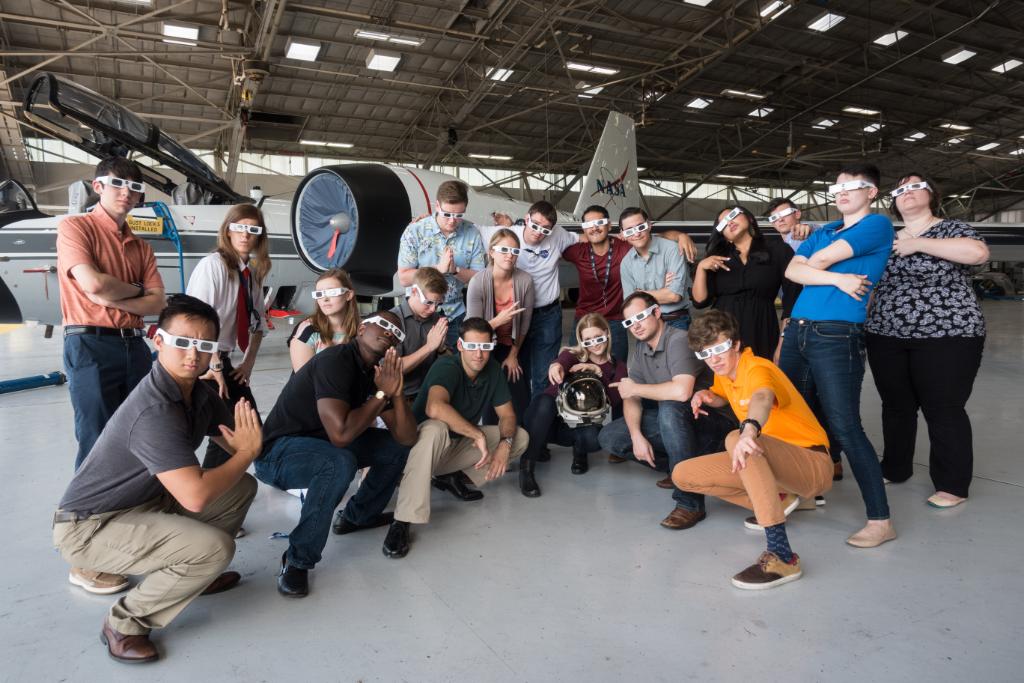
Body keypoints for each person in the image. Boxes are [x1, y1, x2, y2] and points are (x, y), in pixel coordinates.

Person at [52, 295, 260, 663]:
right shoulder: (154, 410)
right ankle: (124, 623)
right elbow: (196, 496)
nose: (192, 355)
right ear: (158, 341)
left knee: (241, 487)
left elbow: (232, 440)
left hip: (145, 501)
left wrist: (253, 443)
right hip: (91, 527)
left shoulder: (199, 392)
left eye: (203, 345)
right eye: (182, 342)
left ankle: (194, 577)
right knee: (215, 548)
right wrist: (247, 453)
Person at [56, 156, 166, 595]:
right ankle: (85, 557)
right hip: (89, 346)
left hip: (132, 347)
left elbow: (157, 305)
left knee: (141, 435)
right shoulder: (75, 228)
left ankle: (135, 534)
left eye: (133, 186)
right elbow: (93, 285)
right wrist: (136, 293)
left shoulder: (141, 247)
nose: (125, 191)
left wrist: (128, 295)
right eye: (116, 183)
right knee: (97, 442)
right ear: (97, 186)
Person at [256, 311, 417, 596]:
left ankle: (357, 517)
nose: (390, 332)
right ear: (362, 328)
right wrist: (381, 396)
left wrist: (397, 392)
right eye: (384, 325)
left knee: (393, 449)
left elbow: (406, 437)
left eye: (396, 332)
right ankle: (297, 559)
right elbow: (341, 436)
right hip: (279, 453)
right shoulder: (336, 360)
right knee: (339, 462)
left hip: (324, 445)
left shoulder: (378, 374)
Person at [780, 162, 896, 548]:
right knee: (796, 416)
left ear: (872, 192)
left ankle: (880, 520)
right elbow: (794, 271)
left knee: (844, 425)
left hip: (836, 333)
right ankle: (806, 491)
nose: (842, 191)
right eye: (837, 186)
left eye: (854, 185)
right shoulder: (826, 229)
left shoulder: (876, 225)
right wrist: (838, 279)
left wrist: (820, 264)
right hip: (797, 330)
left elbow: (814, 262)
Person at [674, 310, 833, 590]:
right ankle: (784, 498)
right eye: (705, 354)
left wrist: (750, 428)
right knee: (683, 474)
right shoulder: (725, 374)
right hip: (775, 465)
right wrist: (708, 396)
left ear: (736, 344)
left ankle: (783, 556)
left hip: (812, 462)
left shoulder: (757, 367)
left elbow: (761, 395)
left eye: (720, 349)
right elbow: (726, 396)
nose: (714, 359)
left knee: (736, 439)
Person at [865, 173, 988, 508]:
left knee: (944, 407)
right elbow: (873, 285)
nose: (907, 193)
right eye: (900, 189)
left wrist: (918, 243)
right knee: (895, 407)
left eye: (915, 186)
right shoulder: (886, 238)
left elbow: (977, 253)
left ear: (932, 195)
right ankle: (895, 467)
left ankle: (952, 484)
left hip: (948, 333)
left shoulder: (951, 228)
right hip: (886, 333)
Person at [381, 317, 529, 559]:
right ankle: (402, 520)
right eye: (472, 347)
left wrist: (505, 444)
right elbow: (434, 407)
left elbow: (508, 415)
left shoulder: (492, 369)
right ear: (460, 345)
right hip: (417, 451)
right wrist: (476, 433)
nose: (479, 355)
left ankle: (452, 477)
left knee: (520, 437)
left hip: (452, 447)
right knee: (436, 428)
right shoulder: (447, 366)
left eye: (485, 347)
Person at [597, 292, 734, 529]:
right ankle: (679, 467)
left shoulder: (678, 340)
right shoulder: (641, 349)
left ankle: (690, 502)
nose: (636, 326)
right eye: (629, 322)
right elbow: (631, 396)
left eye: (640, 317)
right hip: (680, 427)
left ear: (657, 313)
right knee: (610, 436)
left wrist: (634, 387)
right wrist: (636, 436)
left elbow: (682, 392)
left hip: (714, 426)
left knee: (670, 407)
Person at [186, 203, 271, 467]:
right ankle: (206, 490)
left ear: (259, 235)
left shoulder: (251, 275)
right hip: (202, 360)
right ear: (228, 231)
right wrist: (213, 363)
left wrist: (248, 364)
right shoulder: (213, 266)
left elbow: (259, 324)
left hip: (226, 360)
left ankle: (215, 485)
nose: (245, 235)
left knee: (243, 428)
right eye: (239, 228)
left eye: (252, 229)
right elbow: (198, 320)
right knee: (226, 430)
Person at [520, 313, 627, 496]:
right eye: (587, 341)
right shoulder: (574, 355)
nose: (594, 344)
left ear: (607, 333)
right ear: (581, 341)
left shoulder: (618, 366)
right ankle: (527, 467)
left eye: (598, 338)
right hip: (547, 418)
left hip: (581, 422)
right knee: (545, 402)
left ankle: (580, 451)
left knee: (593, 440)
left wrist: (598, 372)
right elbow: (561, 361)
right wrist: (555, 366)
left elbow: (615, 398)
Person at [691, 205, 800, 360]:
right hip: (721, 333)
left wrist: (782, 344)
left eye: (733, 215)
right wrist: (701, 267)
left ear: (749, 218)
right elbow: (699, 301)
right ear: (723, 235)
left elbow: (792, 300)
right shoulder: (716, 258)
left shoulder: (778, 250)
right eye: (722, 224)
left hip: (762, 329)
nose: (729, 222)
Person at [396, 180, 485, 350]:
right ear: (437, 205)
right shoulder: (415, 231)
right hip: (417, 316)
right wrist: (438, 270)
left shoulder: (472, 233)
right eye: (447, 214)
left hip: (455, 315)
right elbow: (404, 278)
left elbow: (480, 278)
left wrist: (455, 270)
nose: (452, 221)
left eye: (459, 215)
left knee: (454, 370)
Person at [465, 228, 534, 423]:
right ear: (492, 252)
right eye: (504, 250)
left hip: (513, 343)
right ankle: (492, 439)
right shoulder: (478, 282)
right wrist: (497, 321)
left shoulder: (525, 281)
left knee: (518, 389)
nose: (509, 255)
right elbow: (473, 330)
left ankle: (521, 441)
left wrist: (513, 355)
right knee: (490, 392)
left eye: (514, 251)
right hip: (484, 345)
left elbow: (524, 326)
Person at [560, 205, 633, 362]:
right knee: (575, 365)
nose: (594, 228)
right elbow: (548, 243)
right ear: (584, 230)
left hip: (615, 319)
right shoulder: (578, 251)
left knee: (616, 368)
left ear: (609, 225)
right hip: (584, 318)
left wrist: (681, 237)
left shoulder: (624, 247)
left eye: (599, 222)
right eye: (588, 225)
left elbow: (653, 239)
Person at [619, 207, 692, 330]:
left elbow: (674, 296)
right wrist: (663, 290)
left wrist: (640, 294)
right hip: (645, 323)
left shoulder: (672, 249)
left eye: (640, 227)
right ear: (622, 234)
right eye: (629, 231)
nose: (636, 234)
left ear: (648, 225)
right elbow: (631, 305)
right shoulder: (626, 263)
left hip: (676, 320)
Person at [390, 266, 450, 403]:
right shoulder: (392, 320)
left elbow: (448, 363)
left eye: (437, 303)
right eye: (428, 302)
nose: (433, 309)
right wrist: (429, 347)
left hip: (432, 394)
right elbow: (393, 369)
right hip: (400, 399)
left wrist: (442, 349)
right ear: (414, 291)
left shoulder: (436, 319)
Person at [289, 268, 359, 372]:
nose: (325, 299)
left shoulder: (362, 330)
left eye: (332, 292)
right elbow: (304, 382)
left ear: (348, 295)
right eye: (319, 294)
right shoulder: (308, 331)